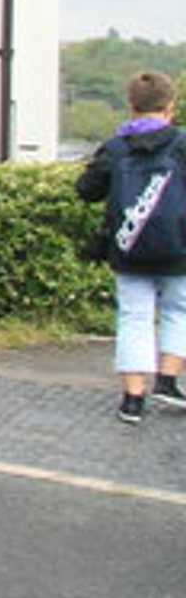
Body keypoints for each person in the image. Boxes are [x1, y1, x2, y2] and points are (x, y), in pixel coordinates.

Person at [76, 69, 186, 424]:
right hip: (179, 248)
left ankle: (132, 399)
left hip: (128, 246)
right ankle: (168, 382)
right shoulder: (182, 144)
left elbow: (86, 190)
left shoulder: (115, 147)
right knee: (179, 311)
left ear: (131, 106)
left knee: (133, 317)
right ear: (170, 106)